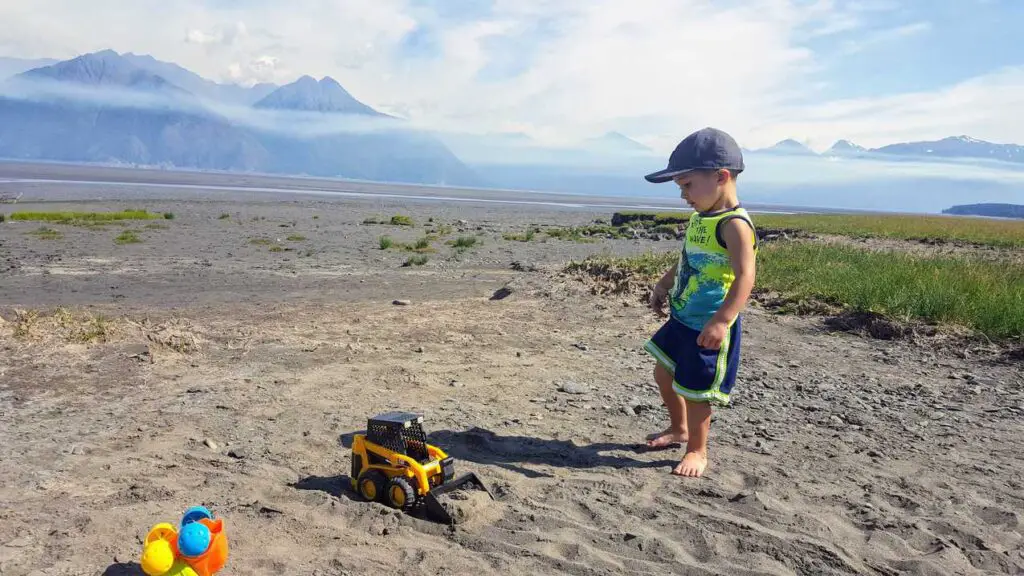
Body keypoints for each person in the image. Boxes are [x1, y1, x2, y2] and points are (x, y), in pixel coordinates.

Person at [640, 127, 758, 478]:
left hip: (707, 325)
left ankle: (697, 450)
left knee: (696, 390)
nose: (683, 196)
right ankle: (679, 429)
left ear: (721, 176)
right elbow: (687, 257)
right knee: (663, 371)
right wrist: (663, 284)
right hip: (683, 318)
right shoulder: (700, 219)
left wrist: (723, 320)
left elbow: (745, 275)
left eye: (687, 185)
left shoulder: (735, 225)